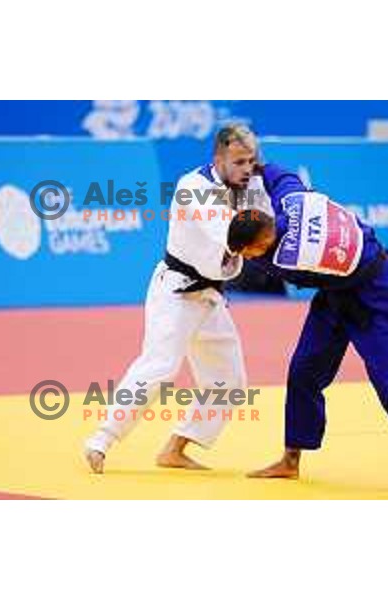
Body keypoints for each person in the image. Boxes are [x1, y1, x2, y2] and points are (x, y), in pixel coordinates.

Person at [226, 163, 388, 497]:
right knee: (303, 370)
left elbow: (256, 266)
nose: (245, 257)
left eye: (247, 252)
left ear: (262, 242)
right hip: (337, 291)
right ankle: (291, 459)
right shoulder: (291, 200)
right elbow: (282, 177)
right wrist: (257, 165)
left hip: (375, 294)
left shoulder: (289, 258)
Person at [84, 124, 271, 474]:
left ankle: (175, 448)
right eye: (239, 161)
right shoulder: (193, 188)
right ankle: (101, 439)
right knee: (159, 366)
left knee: (228, 381)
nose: (247, 168)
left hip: (210, 295)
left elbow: (268, 222)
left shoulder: (252, 186)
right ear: (219, 159)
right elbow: (235, 233)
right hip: (176, 291)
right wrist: (263, 235)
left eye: (252, 161)